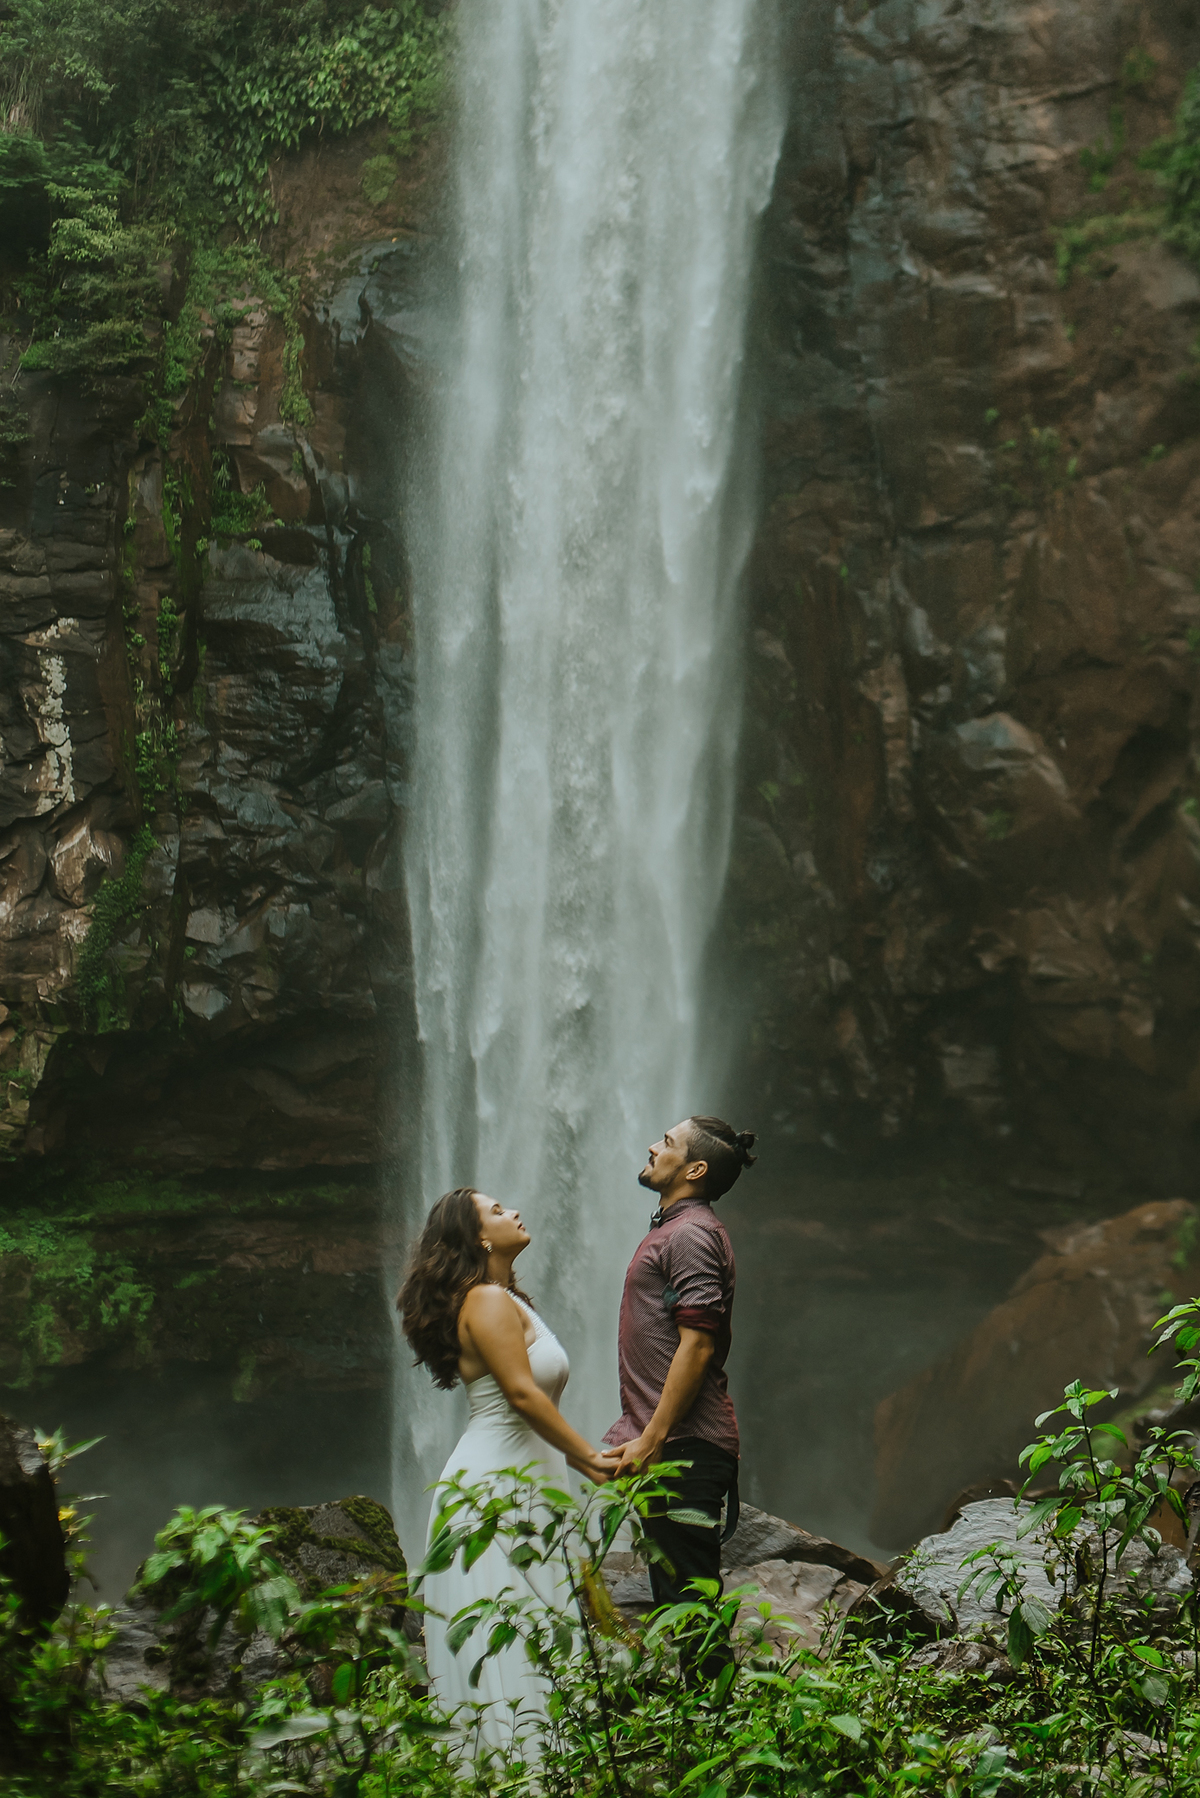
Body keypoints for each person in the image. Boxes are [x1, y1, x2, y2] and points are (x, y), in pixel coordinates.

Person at [398, 1187, 611, 1751]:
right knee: (507, 1637)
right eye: (496, 1211)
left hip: (522, 1481)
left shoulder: (500, 1297)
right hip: (492, 1490)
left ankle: (534, 1770)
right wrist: (587, 1457)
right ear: (480, 1239)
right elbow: (521, 1392)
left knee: (531, 1631)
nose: (513, 1210)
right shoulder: (486, 1301)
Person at [602, 1115, 756, 1675]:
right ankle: (708, 1739)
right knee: (680, 1600)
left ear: (694, 1169)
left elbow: (697, 1343)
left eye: (666, 1141)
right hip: (676, 1447)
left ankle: (720, 1746)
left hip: (686, 1450)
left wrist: (653, 1436)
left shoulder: (691, 1233)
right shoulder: (677, 1229)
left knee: (691, 1608)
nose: (651, 1144)